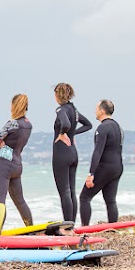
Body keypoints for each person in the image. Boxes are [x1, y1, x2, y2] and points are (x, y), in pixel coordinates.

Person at [0, 94, 33, 234]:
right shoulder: (28, 125)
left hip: (5, 164)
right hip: (17, 163)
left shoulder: (12, 123)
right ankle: (31, 229)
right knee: (20, 201)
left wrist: (0, 144)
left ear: (14, 106)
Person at [52, 83, 92, 223]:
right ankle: (72, 225)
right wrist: (72, 134)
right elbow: (88, 125)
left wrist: (63, 134)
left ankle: (67, 226)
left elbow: (66, 124)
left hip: (61, 153)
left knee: (64, 192)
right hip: (73, 153)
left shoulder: (60, 109)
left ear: (57, 94)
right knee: (71, 191)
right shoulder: (74, 110)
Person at [79, 100, 124, 226]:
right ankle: (113, 227)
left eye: (96, 108)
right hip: (118, 167)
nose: (95, 110)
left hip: (105, 167)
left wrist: (91, 174)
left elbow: (98, 152)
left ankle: (85, 228)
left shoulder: (103, 127)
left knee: (84, 198)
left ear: (102, 111)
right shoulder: (118, 127)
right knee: (110, 200)